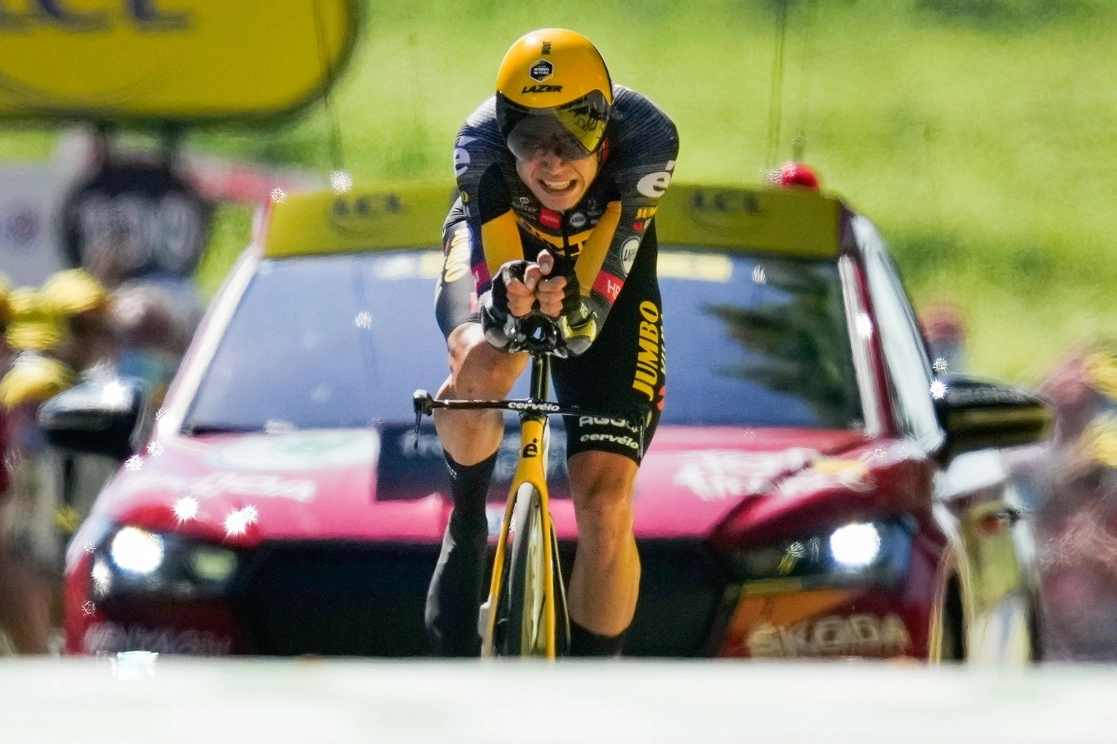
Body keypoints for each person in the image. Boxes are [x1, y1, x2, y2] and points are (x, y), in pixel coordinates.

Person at [426, 28, 679, 657]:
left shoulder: (648, 139)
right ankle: (465, 520)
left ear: (605, 129)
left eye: (573, 138)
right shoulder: (479, 147)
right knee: (478, 358)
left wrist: (570, 309)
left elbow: (587, 320)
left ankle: (595, 681)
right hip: (505, 239)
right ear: (504, 131)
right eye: (531, 141)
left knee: (604, 498)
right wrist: (510, 305)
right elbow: (496, 284)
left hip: (604, 259)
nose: (553, 162)